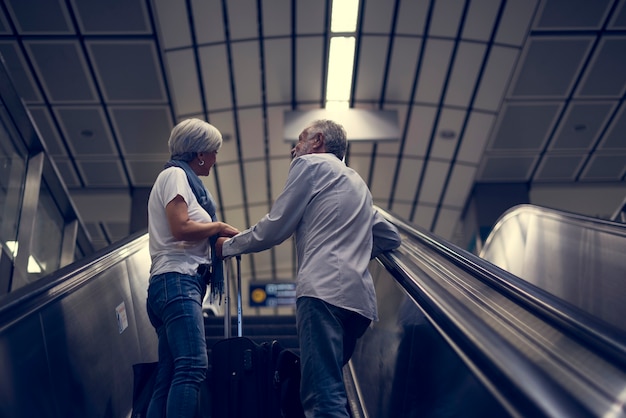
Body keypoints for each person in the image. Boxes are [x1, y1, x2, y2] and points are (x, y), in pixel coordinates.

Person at [216, 119, 401, 417]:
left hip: (322, 296)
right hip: (359, 306)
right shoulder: (357, 185)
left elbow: (275, 227)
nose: (293, 149)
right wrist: (354, 251)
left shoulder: (310, 166)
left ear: (317, 141)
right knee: (329, 386)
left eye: (299, 140)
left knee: (321, 395)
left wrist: (228, 246)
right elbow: (391, 236)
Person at [145, 118, 239, 417]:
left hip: (172, 285)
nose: (214, 159)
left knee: (168, 376)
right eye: (213, 151)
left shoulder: (181, 180)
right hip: (177, 282)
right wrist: (220, 226)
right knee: (193, 366)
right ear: (200, 152)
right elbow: (181, 227)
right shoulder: (174, 175)